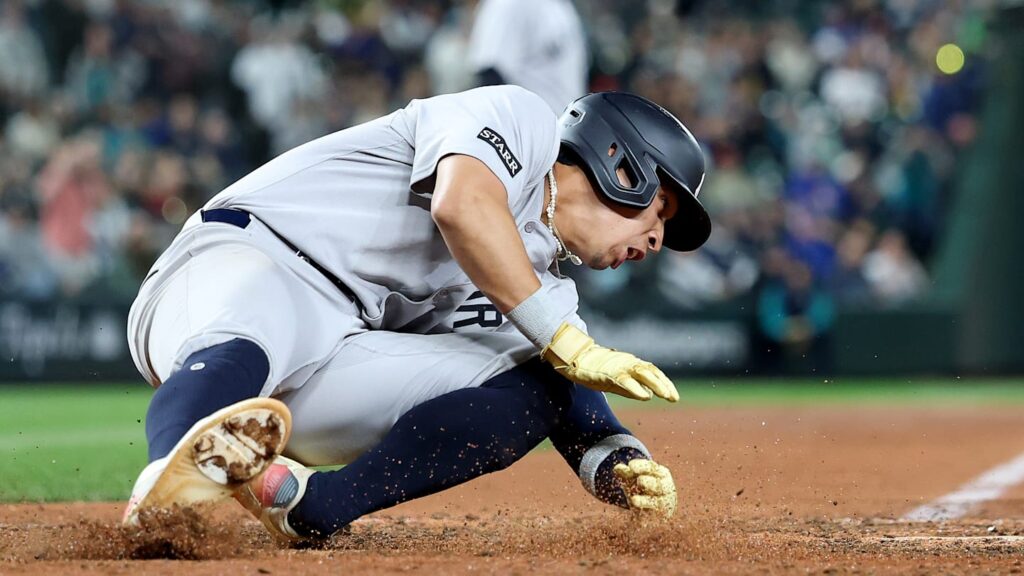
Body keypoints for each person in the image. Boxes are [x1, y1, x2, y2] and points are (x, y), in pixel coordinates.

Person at [122, 86, 712, 544]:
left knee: (538, 385)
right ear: (620, 165)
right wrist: (560, 337)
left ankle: (313, 508)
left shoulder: (544, 287)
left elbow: (564, 384)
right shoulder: (521, 121)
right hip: (251, 257)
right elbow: (461, 204)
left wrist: (615, 457)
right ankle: (163, 491)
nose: (657, 240)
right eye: (659, 211)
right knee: (249, 341)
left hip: (337, 348)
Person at [467, 0, 588, 114]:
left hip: (563, 125)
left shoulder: (560, 5)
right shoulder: (507, 3)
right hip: (528, 128)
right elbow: (490, 75)